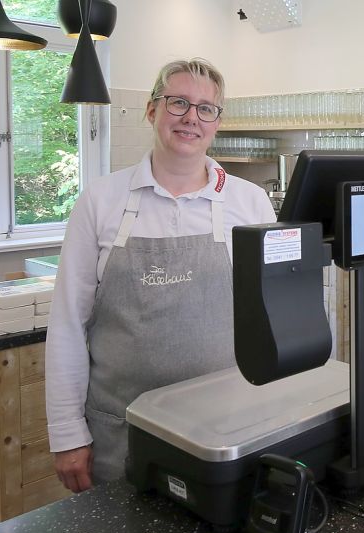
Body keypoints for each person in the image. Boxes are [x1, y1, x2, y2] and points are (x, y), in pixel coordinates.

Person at [45, 59, 276, 492]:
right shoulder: (101, 200)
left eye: (206, 108)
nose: (191, 117)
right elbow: (67, 326)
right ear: (152, 111)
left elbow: (271, 320)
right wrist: (66, 433)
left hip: (227, 430)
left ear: (217, 123)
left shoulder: (251, 203)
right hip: (122, 430)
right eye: (178, 103)